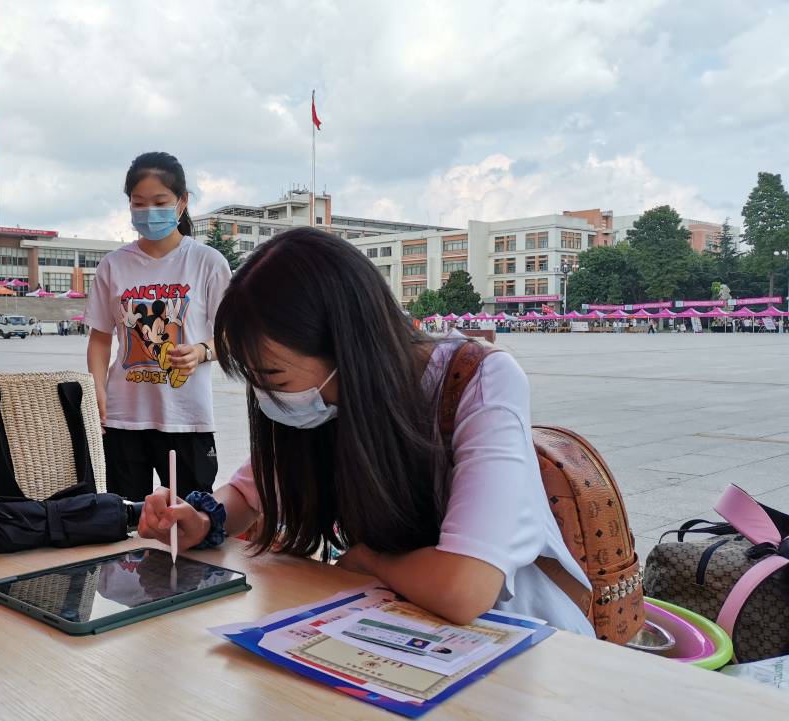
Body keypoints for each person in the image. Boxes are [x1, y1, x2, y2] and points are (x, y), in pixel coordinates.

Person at [135, 228, 594, 634]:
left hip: (517, 638)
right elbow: (250, 491)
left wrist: (372, 561)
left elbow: (464, 586)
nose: (267, 396)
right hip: (397, 628)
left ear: (346, 346)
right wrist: (201, 520)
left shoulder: (480, 380)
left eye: (273, 378)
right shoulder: (326, 403)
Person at [85, 151, 231, 502]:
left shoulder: (208, 262)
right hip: (123, 419)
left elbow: (231, 336)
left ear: (182, 202)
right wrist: (97, 390)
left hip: (187, 420)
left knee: (192, 517)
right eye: (139, 203)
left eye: (160, 202)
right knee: (126, 517)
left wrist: (201, 352)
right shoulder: (113, 265)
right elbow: (100, 339)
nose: (149, 211)